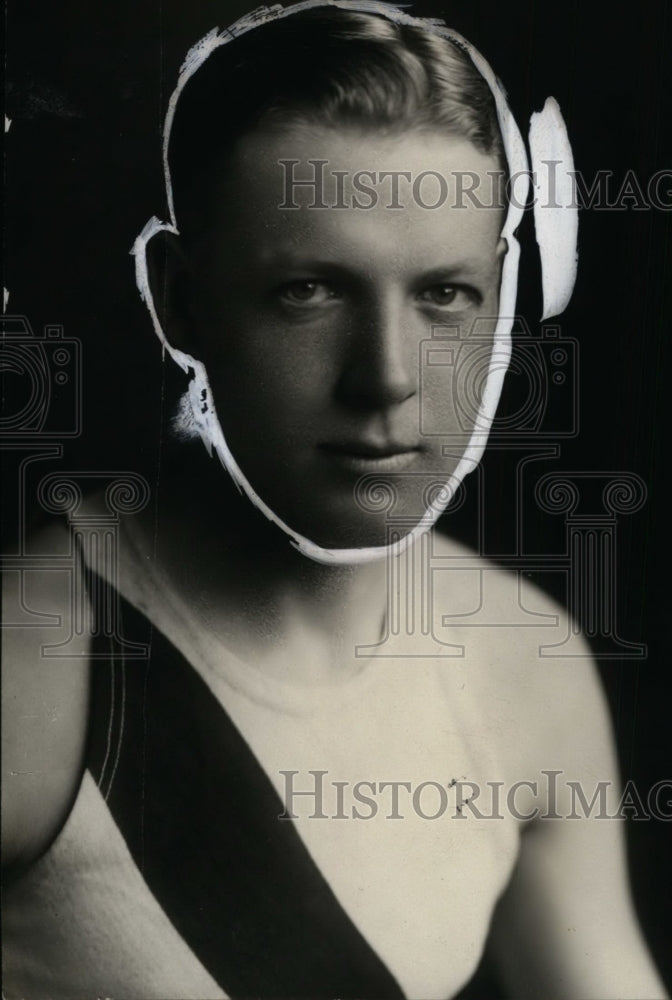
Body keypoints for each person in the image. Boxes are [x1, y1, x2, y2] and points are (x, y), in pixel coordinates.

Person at [2, 3, 668, 998]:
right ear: (178, 296)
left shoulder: (524, 666)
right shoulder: (31, 669)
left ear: (503, 291)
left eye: (444, 294)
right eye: (309, 291)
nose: (386, 377)